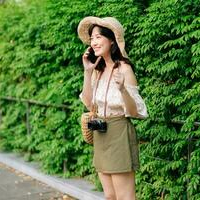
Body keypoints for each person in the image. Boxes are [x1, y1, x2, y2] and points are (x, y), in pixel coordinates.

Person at [77, 16, 148, 200]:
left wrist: (123, 88)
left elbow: (135, 112)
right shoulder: (98, 69)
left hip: (119, 132)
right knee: (109, 196)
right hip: (101, 133)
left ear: (112, 40)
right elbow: (88, 102)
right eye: (92, 38)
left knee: (124, 197)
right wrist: (88, 71)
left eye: (98, 37)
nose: (94, 42)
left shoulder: (124, 68)